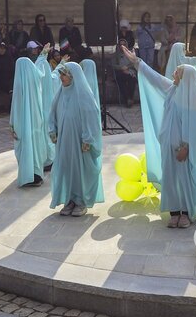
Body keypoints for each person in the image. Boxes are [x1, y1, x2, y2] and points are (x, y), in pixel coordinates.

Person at [126, 49, 196, 228]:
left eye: (178, 72)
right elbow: (154, 78)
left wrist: (186, 147)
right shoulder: (172, 89)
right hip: (168, 147)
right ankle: (174, 211)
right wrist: (137, 61)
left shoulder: (195, 100)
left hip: (183, 151)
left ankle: (186, 213)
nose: (174, 73)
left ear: (186, 78)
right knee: (171, 179)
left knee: (184, 181)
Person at [48, 62, 103, 217]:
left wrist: (87, 138)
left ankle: (80, 201)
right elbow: (52, 113)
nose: (61, 77)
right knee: (66, 168)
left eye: (64, 74)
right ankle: (69, 200)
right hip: (64, 140)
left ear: (73, 76)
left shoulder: (83, 94)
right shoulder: (60, 93)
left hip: (80, 142)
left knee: (79, 170)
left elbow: (91, 116)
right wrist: (52, 130)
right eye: (61, 74)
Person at [10, 57, 50, 188]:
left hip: (22, 125)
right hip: (36, 122)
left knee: (26, 148)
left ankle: (28, 176)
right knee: (36, 147)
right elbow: (39, 72)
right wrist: (43, 56)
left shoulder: (18, 84)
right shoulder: (34, 81)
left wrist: (12, 125)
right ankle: (36, 175)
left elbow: (15, 107)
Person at [164, 43, 196, 117]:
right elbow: (195, 60)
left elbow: (195, 60)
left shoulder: (179, 62)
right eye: (183, 49)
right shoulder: (183, 61)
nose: (185, 51)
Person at [112, 39, 138, 107]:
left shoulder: (130, 54)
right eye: (121, 44)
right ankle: (128, 99)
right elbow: (113, 65)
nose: (122, 46)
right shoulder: (115, 55)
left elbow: (134, 63)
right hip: (120, 72)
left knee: (132, 80)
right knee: (120, 81)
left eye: (124, 44)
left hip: (129, 72)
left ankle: (130, 98)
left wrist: (127, 67)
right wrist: (121, 68)